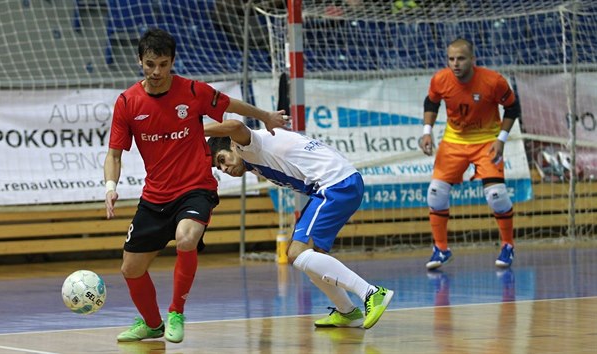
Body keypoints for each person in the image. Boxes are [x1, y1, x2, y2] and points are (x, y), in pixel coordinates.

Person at [103, 28, 289, 343]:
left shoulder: (192, 91)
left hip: (195, 187)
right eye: (150, 64)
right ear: (140, 62)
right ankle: (152, 324)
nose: (157, 71)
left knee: (186, 239)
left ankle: (176, 312)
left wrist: (266, 116)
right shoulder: (127, 102)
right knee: (130, 269)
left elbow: (233, 107)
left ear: (172, 62)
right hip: (155, 196)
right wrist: (110, 186)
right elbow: (114, 154)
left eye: (163, 64)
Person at [205, 119, 394, 329]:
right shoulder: (252, 157)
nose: (223, 168)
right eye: (218, 166)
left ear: (232, 145)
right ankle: (347, 311)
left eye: (222, 159)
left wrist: (192, 129)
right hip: (342, 182)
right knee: (314, 256)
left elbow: (236, 126)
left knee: (296, 253)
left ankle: (371, 293)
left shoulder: (248, 146)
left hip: (333, 185)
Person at [419, 38, 521, 270]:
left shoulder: (493, 81)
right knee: (435, 193)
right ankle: (441, 249)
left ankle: (508, 245)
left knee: (497, 195)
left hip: (487, 142)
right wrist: (427, 132)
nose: (455, 63)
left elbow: (513, 108)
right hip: (454, 141)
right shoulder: (440, 80)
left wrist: (501, 140)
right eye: (451, 59)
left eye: (461, 58)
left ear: (473, 60)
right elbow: (431, 102)